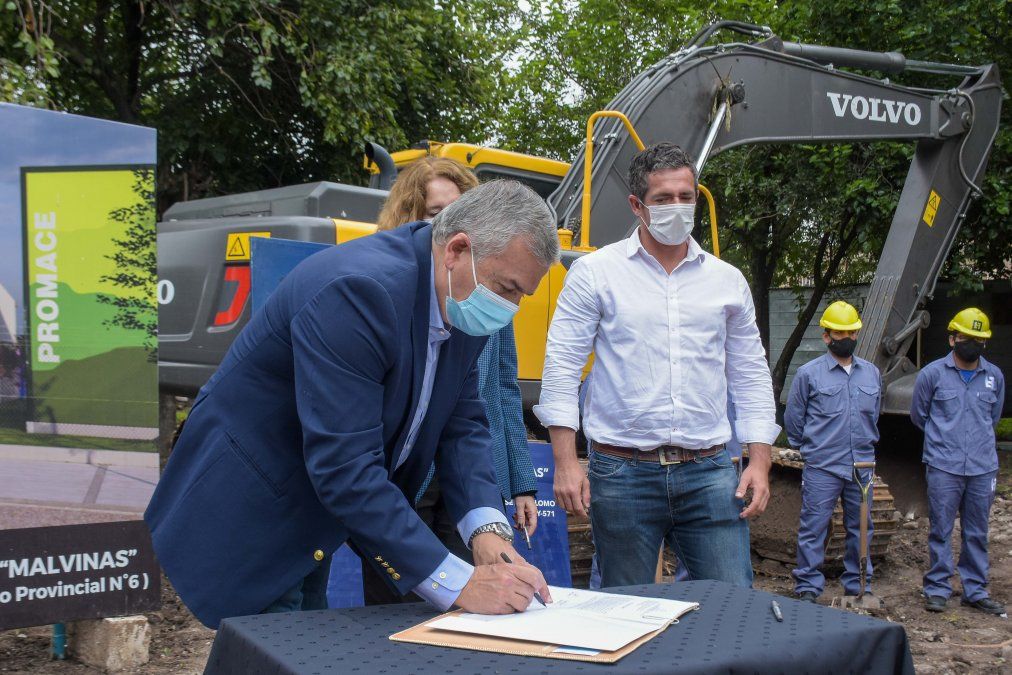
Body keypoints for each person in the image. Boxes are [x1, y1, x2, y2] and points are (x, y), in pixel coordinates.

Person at [145, 180, 558, 627]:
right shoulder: (359, 292)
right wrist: (459, 583)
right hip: (257, 508)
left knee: (299, 647)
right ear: (457, 250)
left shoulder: (456, 293)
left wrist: (487, 533)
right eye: (508, 287)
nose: (510, 307)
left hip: (320, 512)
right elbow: (345, 465)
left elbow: (463, 424)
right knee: (270, 650)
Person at [534, 142, 779, 589]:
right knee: (625, 612)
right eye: (663, 199)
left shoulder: (727, 282)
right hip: (622, 475)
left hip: (708, 472)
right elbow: (563, 368)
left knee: (731, 607)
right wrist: (566, 463)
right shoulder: (595, 273)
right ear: (637, 205)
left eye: (686, 197)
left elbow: (750, 374)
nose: (677, 208)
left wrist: (759, 461)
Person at [362, 159, 539, 604]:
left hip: (473, 469)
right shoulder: (383, 295)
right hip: (407, 472)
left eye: (459, 209)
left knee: (479, 603)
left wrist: (520, 482)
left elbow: (503, 387)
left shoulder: (492, 294)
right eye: (434, 212)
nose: (448, 221)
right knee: (401, 601)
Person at [785, 301, 881, 602]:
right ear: (826, 336)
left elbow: (873, 415)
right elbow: (794, 420)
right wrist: (809, 449)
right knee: (813, 527)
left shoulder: (872, 373)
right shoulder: (808, 375)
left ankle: (858, 585)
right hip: (823, 465)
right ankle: (808, 588)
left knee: (862, 527)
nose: (847, 338)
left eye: (852, 333)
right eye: (840, 333)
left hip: (861, 465)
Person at [911, 307, 1005, 615]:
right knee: (940, 529)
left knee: (977, 531)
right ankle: (938, 588)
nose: (973, 344)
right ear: (953, 339)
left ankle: (975, 590)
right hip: (943, 466)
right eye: (967, 337)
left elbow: (992, 418)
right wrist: (946, 442)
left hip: (982, 467)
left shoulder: (994, 377)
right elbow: (920, 416)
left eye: (979, 339)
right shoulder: (932, 375)